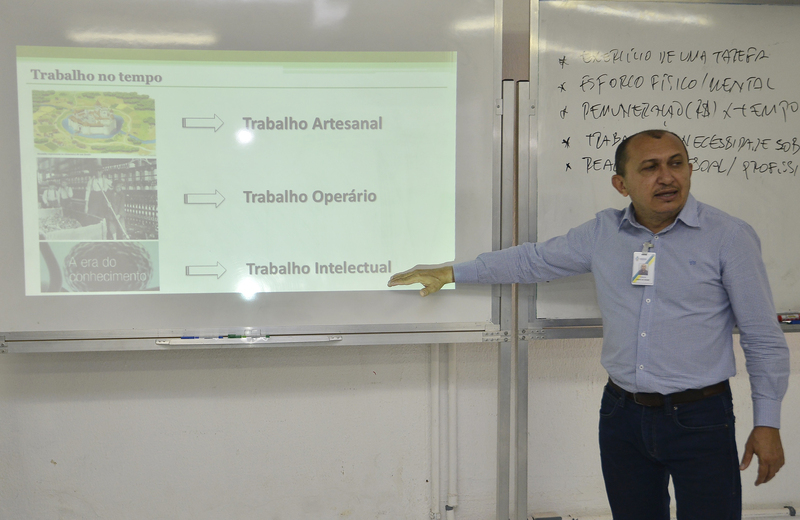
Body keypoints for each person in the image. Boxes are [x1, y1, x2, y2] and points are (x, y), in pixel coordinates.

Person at [388, 129, 789, 519]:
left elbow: (762, 337)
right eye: (650, 167)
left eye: (676, 163)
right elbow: (532, 260)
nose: (667, 177)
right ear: (621, 184)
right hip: (622, 415)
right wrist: (451, 272)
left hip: (700, 416)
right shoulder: (603, 232)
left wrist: (767, 422)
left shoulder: (728, 237)